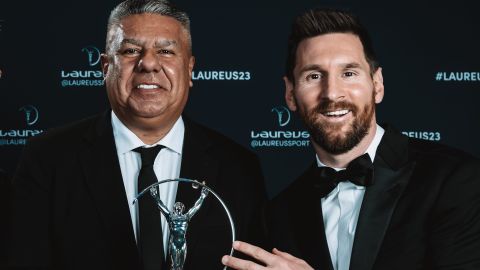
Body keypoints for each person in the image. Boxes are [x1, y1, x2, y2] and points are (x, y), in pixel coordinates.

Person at [8, 1, 266, 269]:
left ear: (190, 70)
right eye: (131, 51)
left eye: (166, 51)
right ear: (106, 67)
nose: (149, 64)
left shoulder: (239, 168)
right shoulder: (47, 159)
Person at [222, 8, 480, 270]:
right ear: (290, 94)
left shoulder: (453, 180)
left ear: (377, 84)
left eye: (349, 73)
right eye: (314, 76)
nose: (332, 93)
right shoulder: (278, 215)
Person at [150, 185, 208, 270]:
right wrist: (155, 196)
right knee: (174, 265)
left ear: (183, 208)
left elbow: (195, 207)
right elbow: (161, 206)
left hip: (182, 242)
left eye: (180, 206)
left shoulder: (186, 217)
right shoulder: (170, 217)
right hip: (174, 242)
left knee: (180, 267)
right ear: (174, 208)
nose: (178, 207)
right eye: (177, 206)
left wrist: (202, 197)